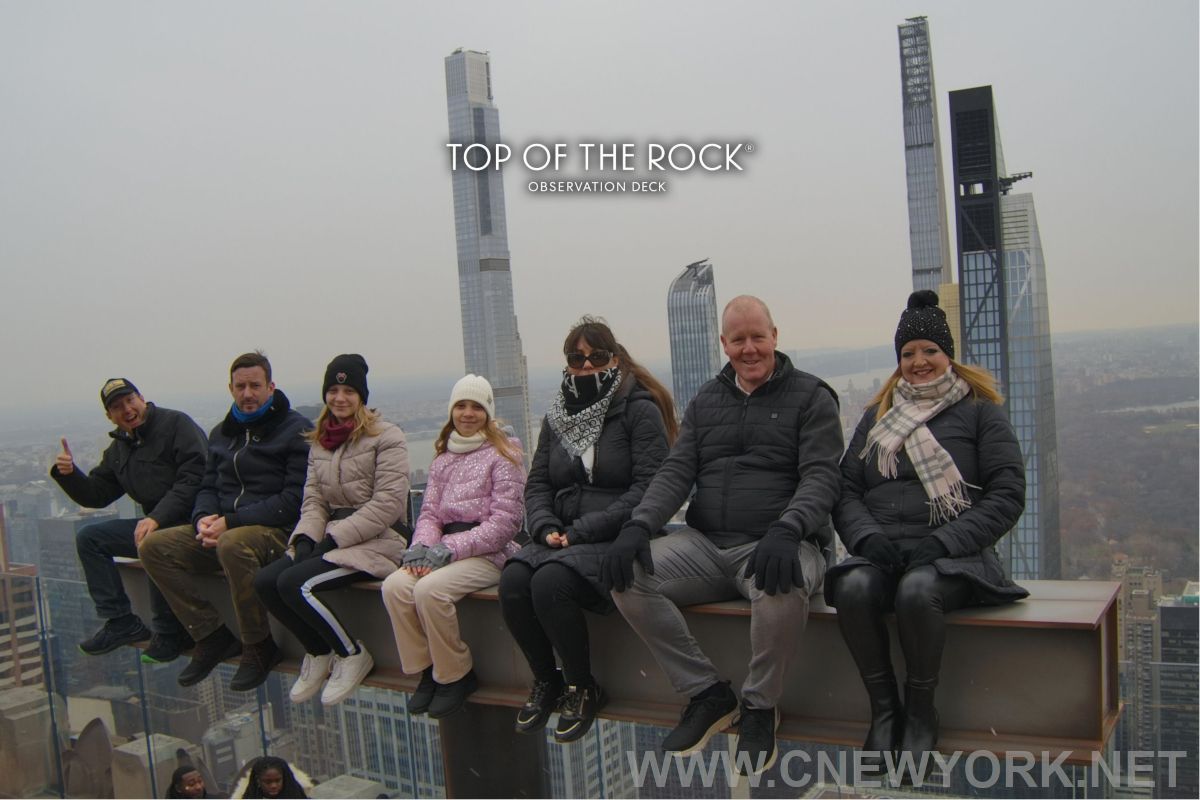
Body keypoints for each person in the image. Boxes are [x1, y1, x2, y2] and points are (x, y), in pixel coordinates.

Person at [606, 295, 843, 774]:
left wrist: (789, 528)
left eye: (758, 337)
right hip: (708, 544)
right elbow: (676, 472)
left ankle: (759, 706)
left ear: (775, 335)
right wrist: (640, 524)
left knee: (783, 581)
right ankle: (707, 692)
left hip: (779, 542)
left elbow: (822, 476)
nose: (750, 348)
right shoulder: (706, 401)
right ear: (724, 343)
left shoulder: (812, 396)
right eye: (739, 339)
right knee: (627, 574)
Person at [826, 290, 1026, 773]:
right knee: (852, 586)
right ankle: (884, 709)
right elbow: (845, 489)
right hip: (884, 553)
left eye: (929, 351)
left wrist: (945, 541)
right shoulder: (877, 419)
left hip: (952, 558)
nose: (919, 361)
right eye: (908, 353)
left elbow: (1007, 494)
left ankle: (919, 710)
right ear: (898, 363)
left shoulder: (981, 413)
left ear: (948, 356)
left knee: (918, 592)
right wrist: (866, 539)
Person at [499, 317, 676, 743]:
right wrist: (542, 527)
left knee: (550, 582)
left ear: (614, 359)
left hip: (618, 535)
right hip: (563, 534)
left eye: (596, 356)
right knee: (514, 580)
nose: (586, 365)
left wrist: (584, 529)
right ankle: (548, 681)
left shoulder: (639, 410)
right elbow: (538, 482)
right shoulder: (557, 416)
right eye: (576, 358)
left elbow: (650, 487)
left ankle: (582, 686)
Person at [140, 352, 311, 690]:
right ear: (230, 389)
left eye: (255, 386)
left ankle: (258, 644)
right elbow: (207, 486)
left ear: (271, 387)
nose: (248, 394)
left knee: (233, 544)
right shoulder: (222, 434)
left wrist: (230, 522)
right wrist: (203, 518)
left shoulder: (295, 430)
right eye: (241, 386)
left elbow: (293, 501)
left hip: (275, 532)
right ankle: (210, 633)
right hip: (225, 528)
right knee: (154, 547)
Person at [254, 354, 410, 706]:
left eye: (349, 391)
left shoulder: (387, 437)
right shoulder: (319, 441)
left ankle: (351, 653)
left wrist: (334, 539)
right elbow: (313, 501)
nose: (340, 398)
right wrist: (308, 538)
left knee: (295, 584)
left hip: (377, 539)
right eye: (334, 390)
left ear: (361, 396)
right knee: (266, 582)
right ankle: (318, 651)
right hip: (330, 537)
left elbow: (387, 504)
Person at [382, 374, 526, 719]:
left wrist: (449, 549)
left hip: (488, 552)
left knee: (430, 591)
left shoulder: (504, 455)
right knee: (395, 586)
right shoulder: (443, 458)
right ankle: (426, 670)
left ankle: (456, 675)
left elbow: (504, 524)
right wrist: (421, 547)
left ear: (488, 413)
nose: (467, 413)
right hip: (442, 549)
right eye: (461, 405)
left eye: (476, 406)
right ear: (451, 411)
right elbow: (430, 512)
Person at [50, 378, 207, 659]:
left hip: (195, 523)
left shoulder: (176, 425)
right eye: (117, 407)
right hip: (154, 526)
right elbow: (97, 495)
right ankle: (121, 622)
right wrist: (69, 474)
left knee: (152, 542)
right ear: (110, 416)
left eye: (129, 400)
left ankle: (170, 633)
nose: (127, 409)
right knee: (90, 538)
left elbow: (194, 478)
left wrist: (157, 517)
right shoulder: (120, 448)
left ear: (141, 398)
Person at [234, 756, 311, 799]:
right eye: (267, 782)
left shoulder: (295, 795)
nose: (273, 786)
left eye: (278, 780)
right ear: (258, 780)